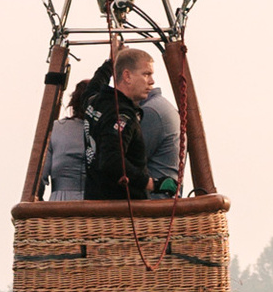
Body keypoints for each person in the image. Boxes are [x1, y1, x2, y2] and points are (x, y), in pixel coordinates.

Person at [41, 40, 180, 201]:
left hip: (94, 201)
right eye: (146, 74)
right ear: (127, 76)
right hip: (121, 211)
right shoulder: (122, 114)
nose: (152, 81)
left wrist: (110, 62)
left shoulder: (95, 103)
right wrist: (152, 184)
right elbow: (111, 160)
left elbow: (94, 86)